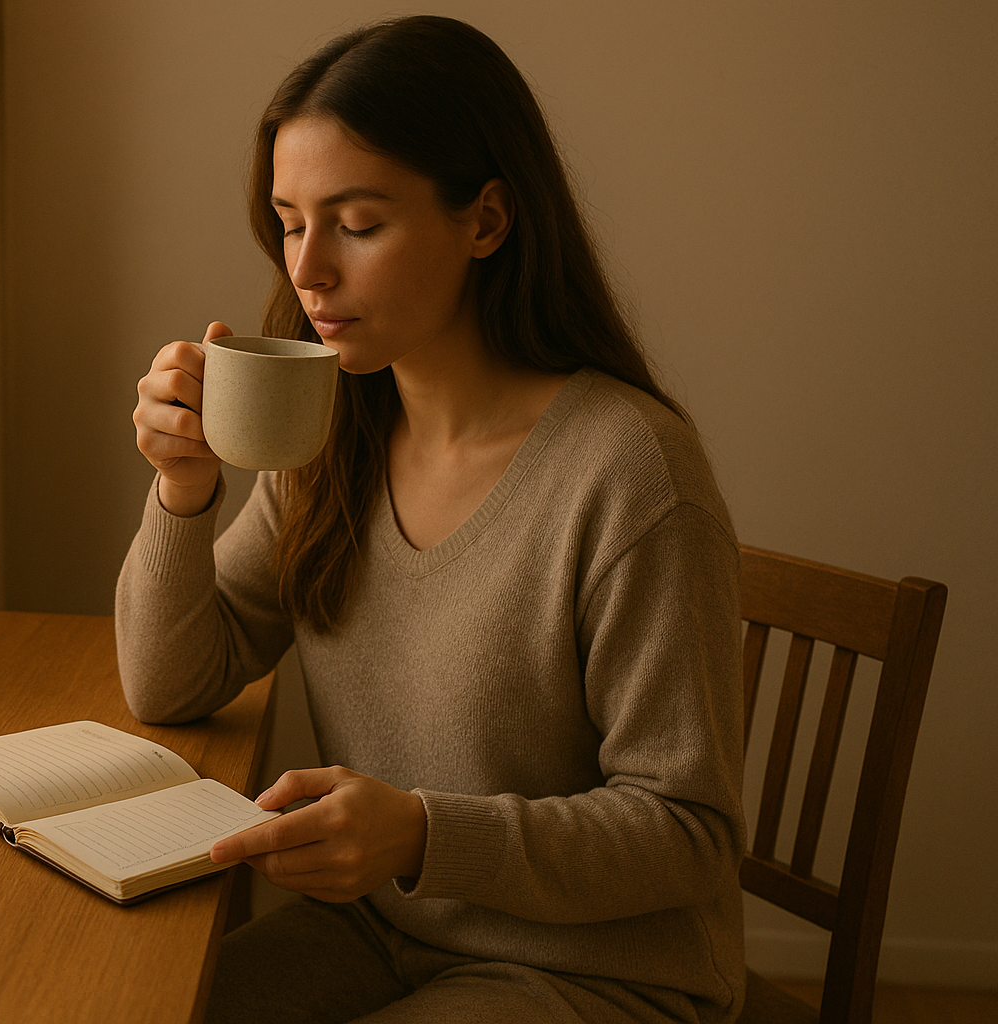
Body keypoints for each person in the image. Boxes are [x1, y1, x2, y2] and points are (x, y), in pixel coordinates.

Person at [118, 15, 745, 1024]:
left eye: (355, 224)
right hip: (378, 933)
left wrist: (421, 834)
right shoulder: (334, 436)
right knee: (138, 1004)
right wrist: (183, 490)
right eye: (289, 220)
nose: (308, 269)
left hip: (595, 973)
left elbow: (690, 830)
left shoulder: (628, 471)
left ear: (486, 220)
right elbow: (171, 680)